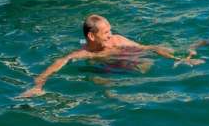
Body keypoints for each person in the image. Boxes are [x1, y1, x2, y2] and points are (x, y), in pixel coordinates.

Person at [18, 14, 177, 98]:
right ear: (92, 36)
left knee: (145, 65)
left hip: (127, 65)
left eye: (110, 30)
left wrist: (177, 59)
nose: (110, 35)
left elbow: (149, 47)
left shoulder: (117, 40)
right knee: (103, 87)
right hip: (105, 69)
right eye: (106, 32)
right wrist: (37, 86)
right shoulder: (85, 53)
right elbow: (60, 62)